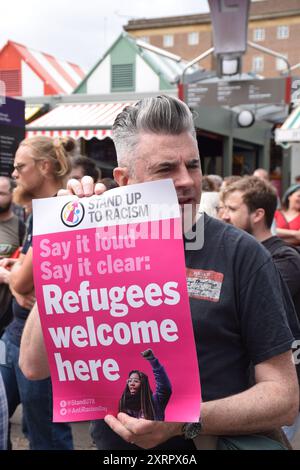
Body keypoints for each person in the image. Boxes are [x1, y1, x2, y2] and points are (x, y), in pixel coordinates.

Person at [19, 95, 299, 450]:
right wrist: (68, 246)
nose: (186, 181)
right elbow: (33, 365)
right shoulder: (96, 248)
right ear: (124, 178)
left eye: (193, 165)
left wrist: (184, 421)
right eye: (166, 169)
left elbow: (284, 398)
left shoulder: (242, 255)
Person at [0, 136, 74, 450]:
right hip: (15, 334)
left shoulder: (57, 212)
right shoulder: (38, 211)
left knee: (47, 437)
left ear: (44, 167)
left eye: (20, 167)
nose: (14, 174)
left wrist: (12, 278)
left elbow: (21, 283)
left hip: (42, 342)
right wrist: (15, 273)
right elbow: (24, 279)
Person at [220, 175, 300, 441]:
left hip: (274, 388)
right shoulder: (230, 254)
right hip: (241, 389)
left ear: (258, 214)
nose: (224, 216)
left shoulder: (284, 258)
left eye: (232, 209)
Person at [0, 177, 25, 334]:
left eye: (1, 193)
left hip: (6, 316)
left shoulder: (20, 227)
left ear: (12, 195)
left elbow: (25, 263)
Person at [119, 349, 172, 421]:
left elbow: (165, 388)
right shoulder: (124, 404)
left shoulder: (155, 401)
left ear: (143, 384)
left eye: (136, 381)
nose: (131, 383)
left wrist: (153, 362)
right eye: (130, 381)